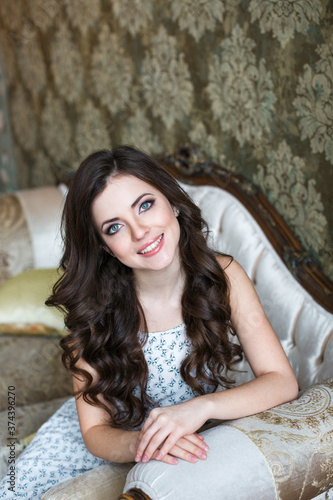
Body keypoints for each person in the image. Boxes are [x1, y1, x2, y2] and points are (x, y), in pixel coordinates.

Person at [0, 145, 298, 499]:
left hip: (182, 434)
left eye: (145, 205)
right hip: (100, 445)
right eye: (114, 227)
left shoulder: (225, 278)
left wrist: (202, 408)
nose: (140, 231)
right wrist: (142, 443)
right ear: (106, 247)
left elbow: (281, 382)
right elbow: (95, 431)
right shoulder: (94, 308)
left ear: (171, 201)